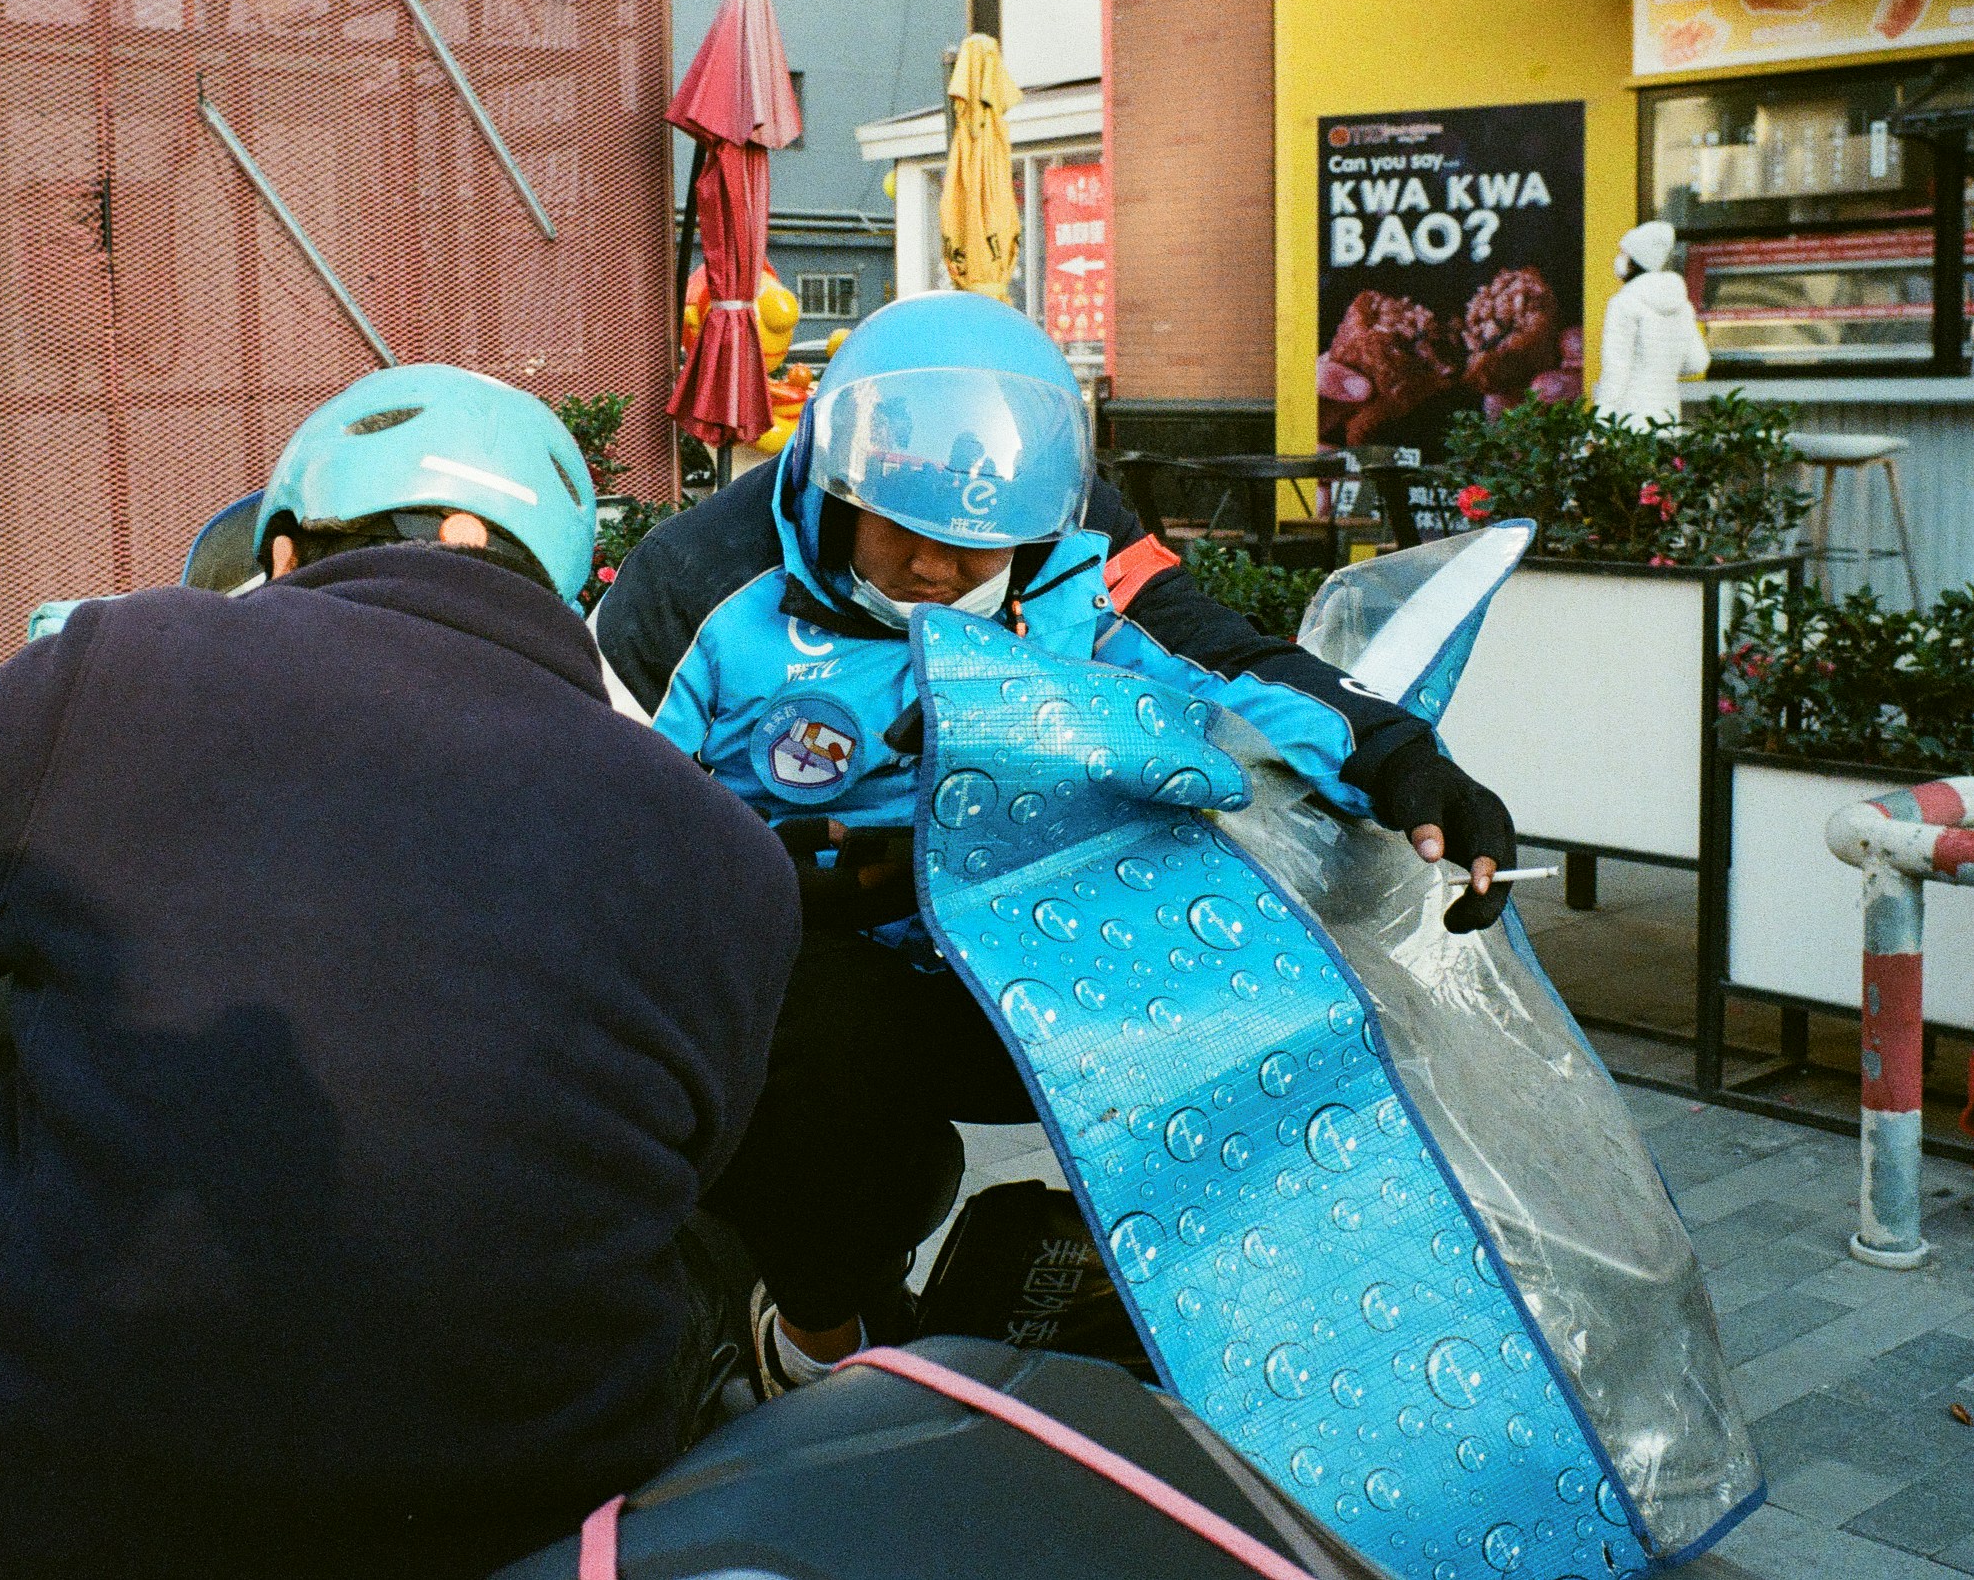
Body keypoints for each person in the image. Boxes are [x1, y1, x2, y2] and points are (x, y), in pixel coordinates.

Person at [0, 366, 799, 1579]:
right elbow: (691, 1151)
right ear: (558, 581)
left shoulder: (136, 659)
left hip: (51, 1528)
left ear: (288, 549)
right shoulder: (731, 857)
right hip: (519, 1530)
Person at [593, 293, 1517, 1396]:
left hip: (1010, 934)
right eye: (905, 536)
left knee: (1247, 984)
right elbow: (602, 826)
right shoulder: (693, 578)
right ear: (835, 487)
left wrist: (1406, 763)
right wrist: (800, 885)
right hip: (793, 952)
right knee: (825, 1063)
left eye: (976, 551)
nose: (937, 572)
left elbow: (1222, 658)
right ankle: (807, 1340)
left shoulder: (1078, 531)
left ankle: (1202, 1303)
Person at [1595, 219, 1710, 428]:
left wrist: (1600, 423)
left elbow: (1616, 370)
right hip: (1667, 418)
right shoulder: (1682, 306)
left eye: (1624, 253)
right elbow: (1698, 362)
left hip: (1629, 421)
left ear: (1634, 260)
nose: (1619, 258)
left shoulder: (1623, 303)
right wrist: (1663, 368)